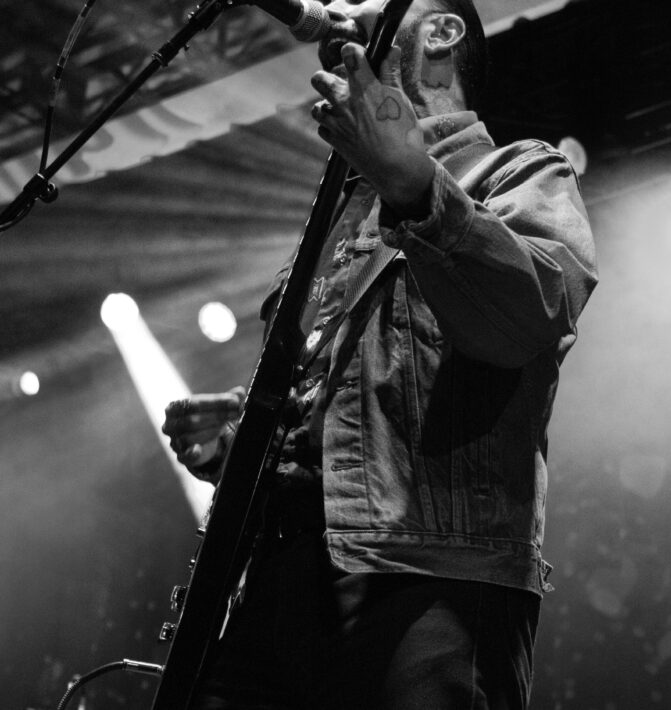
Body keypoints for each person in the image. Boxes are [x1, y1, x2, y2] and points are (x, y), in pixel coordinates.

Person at [162, 0, 598, 707]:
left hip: (425, 579)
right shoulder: (339, 219)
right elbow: (334, 402)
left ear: (442, 30)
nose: (336, 8)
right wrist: (244, 438)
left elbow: (529, 316)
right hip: (275, 580)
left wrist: (416, 185)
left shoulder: (521, 170)